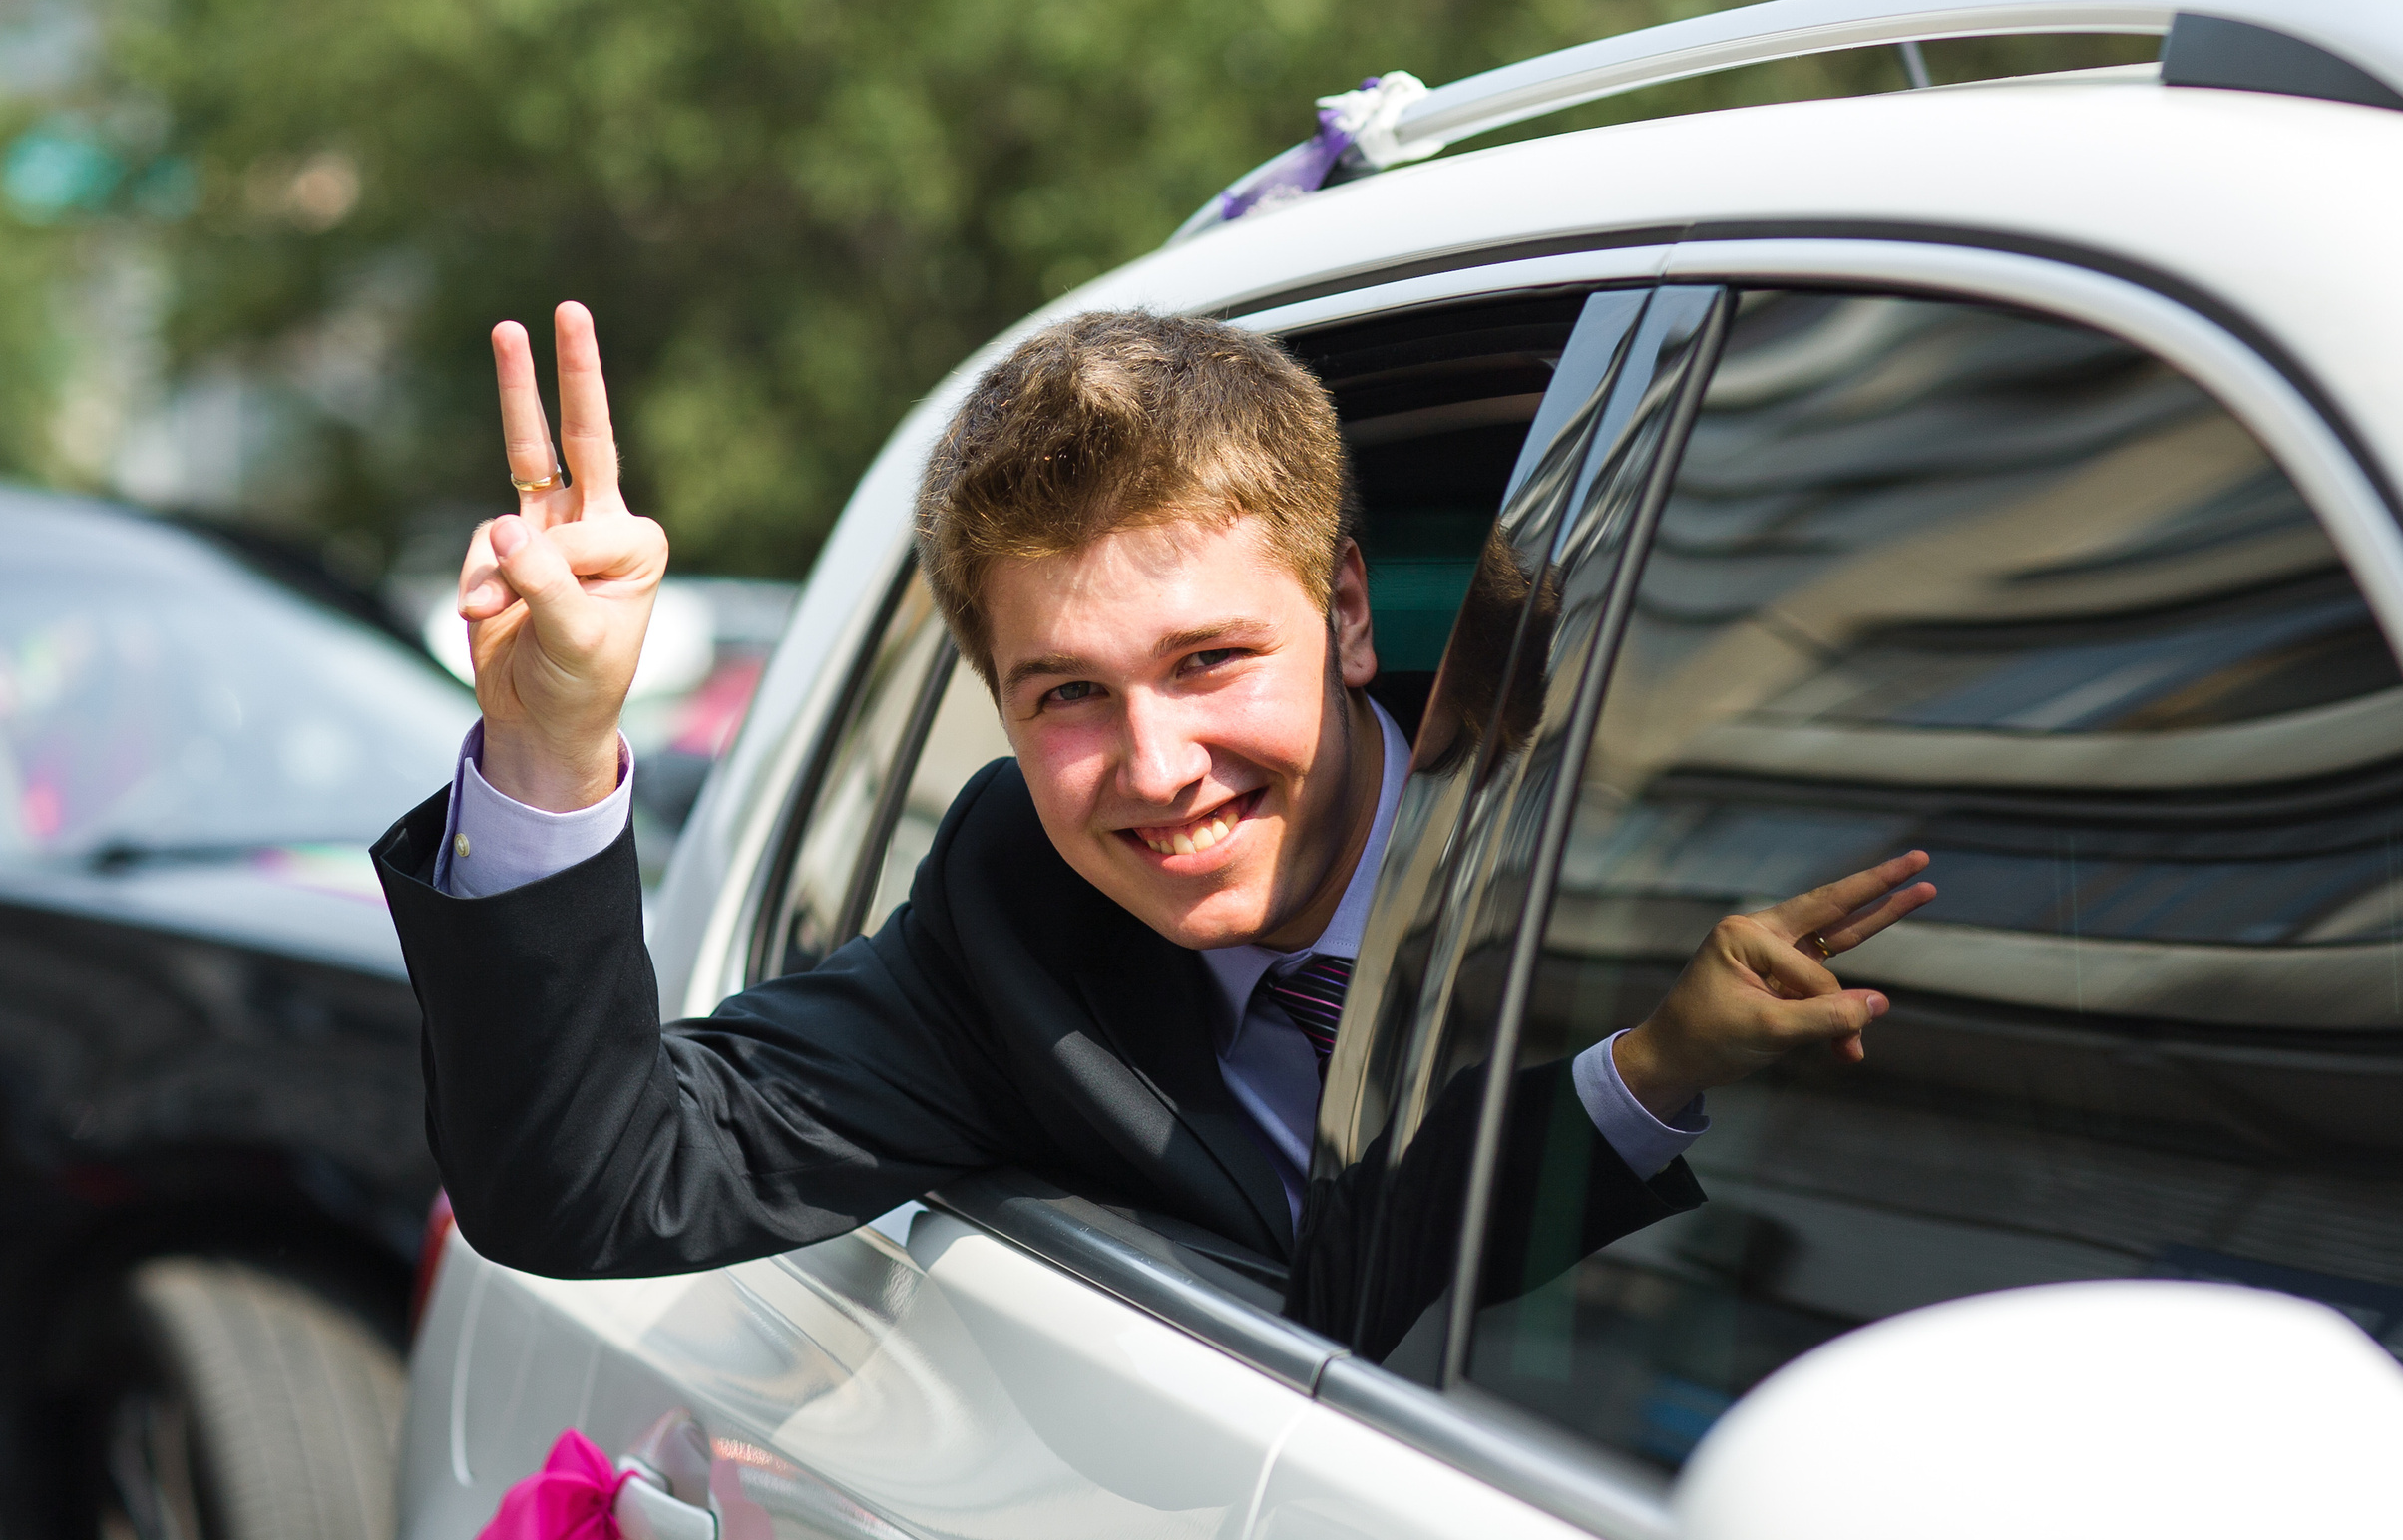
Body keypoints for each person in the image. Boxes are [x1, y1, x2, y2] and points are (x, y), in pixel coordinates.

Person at [371, 302, 1934, 1338]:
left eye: (1208, 663)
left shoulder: (1647, 854)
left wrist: (1659, 1071)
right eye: (1069, 694)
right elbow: (592, 1185)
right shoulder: (1012, 923)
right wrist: (552, 743)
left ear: (1346, 615)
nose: (1159, 765)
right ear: (999, 707)